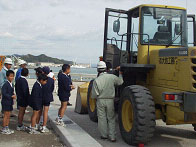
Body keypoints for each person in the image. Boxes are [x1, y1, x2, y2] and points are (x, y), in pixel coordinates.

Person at [91, 61, 123, 142]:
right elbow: (120, 82)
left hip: (100, 100)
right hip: (110, 100)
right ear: (106, 68)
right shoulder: (112, 77)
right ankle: (112, 137)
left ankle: (104, 135)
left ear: (98, 70)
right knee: (111, 118)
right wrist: (120, 73)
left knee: (102, 118)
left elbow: (94, 95)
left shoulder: (96, 80)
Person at [1, 70, 16, 135]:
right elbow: (4, 93)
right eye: (10, 76)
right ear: (7, 77)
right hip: (6, 101)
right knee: (6, 115)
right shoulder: (5, 84)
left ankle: (7, 126)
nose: (12, 78)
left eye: (13, 76)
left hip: (10, 102)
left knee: (8, 115)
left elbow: (11, 92)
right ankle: (4, 128)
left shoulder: (11, 84)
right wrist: (11, 96)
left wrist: (13, 94)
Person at [41, 66, 54, 133]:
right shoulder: (51, 80)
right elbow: (52, 89)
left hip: (40, 96)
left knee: (39, 111)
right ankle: (44, 126)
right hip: (48, 96)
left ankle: (37, 123)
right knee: (45, 112)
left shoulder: (40, 79)